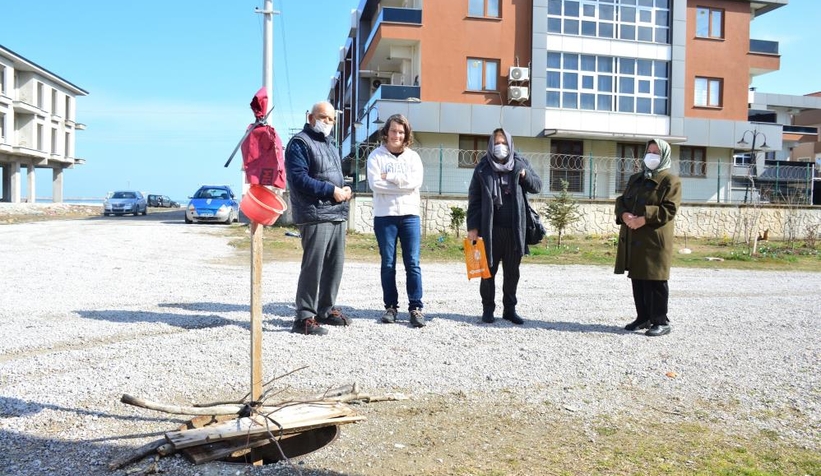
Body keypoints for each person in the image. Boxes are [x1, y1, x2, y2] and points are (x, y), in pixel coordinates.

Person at [284, 101, 352, 336]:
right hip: (314, 213)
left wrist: (343, 189)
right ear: (311, 117)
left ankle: (325, 308)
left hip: (336, 212)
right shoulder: (300, 143)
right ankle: (304, 316)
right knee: (314, 266)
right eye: (323, 117)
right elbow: (299, 179)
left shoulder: (331, 145)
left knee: (335, 265)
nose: (328, 123)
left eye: (332, 119)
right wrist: (330, 190)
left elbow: (333, 177)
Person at [466, 128, 542, 325]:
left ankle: (510, 309)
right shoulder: (483, 167)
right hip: (489, 230)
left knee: (512, 272)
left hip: (515, 230)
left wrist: (525, 176)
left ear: (510, 145)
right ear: (491, 145)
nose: (500, 147)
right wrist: (472, 227)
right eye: (497, 143)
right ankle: (488, 309)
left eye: (504, 143)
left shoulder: (520, 163)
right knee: (487, 271)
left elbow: (537, 186)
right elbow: (474, 199)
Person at [614, 138, 682, 337]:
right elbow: (622, 201)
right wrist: (625, 215)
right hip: (634, 235)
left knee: (655, 279)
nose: (651, 156)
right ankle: (643, 317)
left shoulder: (671, 180)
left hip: (654, 238)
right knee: (638, 277)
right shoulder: (637, 178)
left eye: (656, 152)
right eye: (649, 151)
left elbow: (669, 209)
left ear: (664, 156)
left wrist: (644, 219)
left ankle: (661, 321)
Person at [366, 114, 426, 328]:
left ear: (406, 134)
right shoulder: (376, 156)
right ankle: (390, 307)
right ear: (386, 132)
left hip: (410, 216)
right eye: (393, 131)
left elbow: (415, 182)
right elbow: (375, 185)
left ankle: (416, 308)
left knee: (413, 263)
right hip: (385, 216)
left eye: (401, 132)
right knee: (388, 263)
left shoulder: (413, 158)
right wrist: (402, 183)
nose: (396, 135)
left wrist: (389, 177)